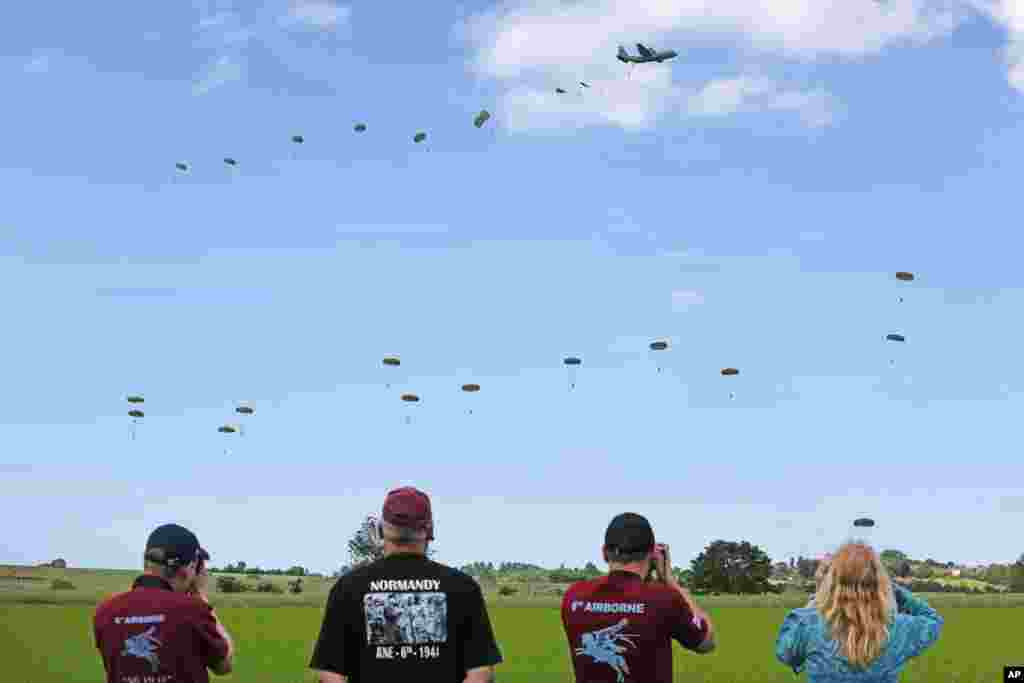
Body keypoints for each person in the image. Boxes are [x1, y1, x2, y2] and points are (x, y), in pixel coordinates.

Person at [310, 486, 502, 683]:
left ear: (380, 529)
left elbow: (330, 673)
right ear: (429, 530)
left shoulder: (348, 587)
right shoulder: (463, 587)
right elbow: (481, 673)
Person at [561, 512, 715, 683]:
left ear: (605, 553)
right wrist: (671, 582)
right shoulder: (665, 598)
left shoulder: (574, 596)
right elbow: (706, 642)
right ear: (651, 555)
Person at [776, 542, 943, 681]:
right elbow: (933, 620)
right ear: (878, 582)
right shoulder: (898, 628)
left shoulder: (807, 624)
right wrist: (891, 587)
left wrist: (819, 594)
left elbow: (786, 653)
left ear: (832, 581)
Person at [94, 523, 234, 683]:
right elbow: (224, 665)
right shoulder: (193, 609)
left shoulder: (106, 611)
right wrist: (200, 595)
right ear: (191, 566)